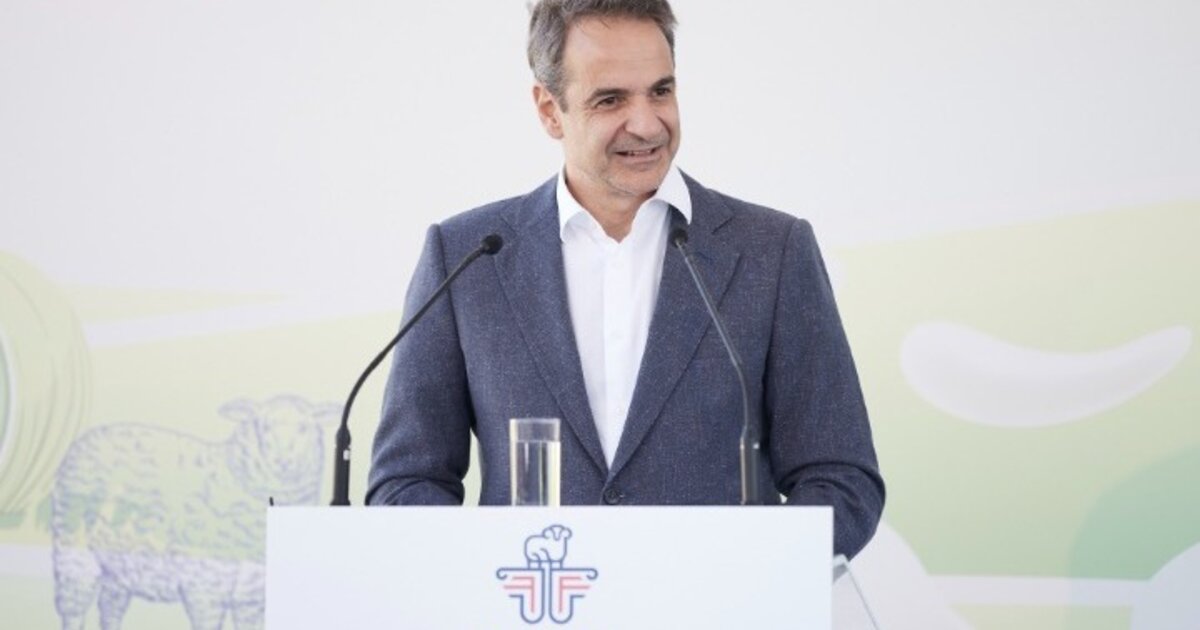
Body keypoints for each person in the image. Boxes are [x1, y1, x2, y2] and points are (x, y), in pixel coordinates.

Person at [367, 0, 884, 559]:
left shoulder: (773, 252)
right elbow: (406, 483)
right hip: (533, 596)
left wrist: (744, 576)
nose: (646, 123)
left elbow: (841, 480)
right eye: (611, 99)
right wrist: (490, 578)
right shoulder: (466, 256)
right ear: (549, 110)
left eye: (661, 91)